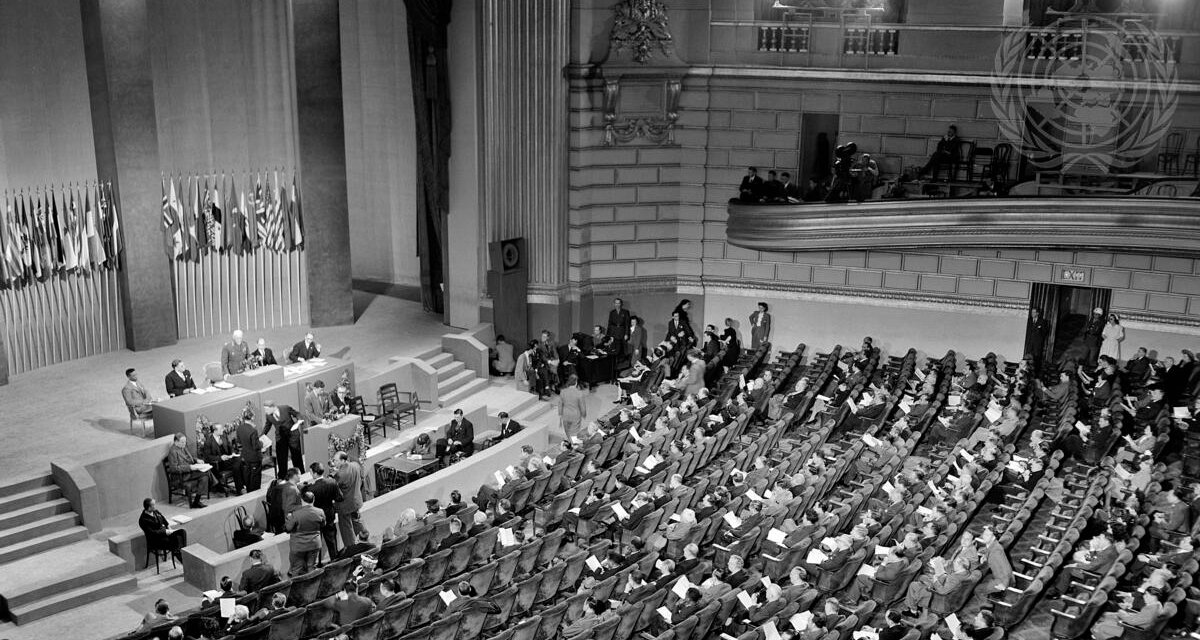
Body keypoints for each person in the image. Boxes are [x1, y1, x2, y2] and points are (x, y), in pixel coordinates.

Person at [332, 451, 369, 552]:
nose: (333, 462)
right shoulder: (355, 465)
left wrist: (334, 474)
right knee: (357, 521)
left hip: (345, 506)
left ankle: (351, 549)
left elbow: (334, 487)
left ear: (343, 460)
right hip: (356, 501)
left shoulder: (340, 475)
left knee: (346, 529)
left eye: (335, 460)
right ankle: (365, 540)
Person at [307, 462, 343, 560]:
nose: (310, 474)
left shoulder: (311, 488)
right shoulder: (332, 482)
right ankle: (335, 559)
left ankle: (318, 562)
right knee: (331, 539)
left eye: (311, 472)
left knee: (317, 541)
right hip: (329, 514)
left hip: (317, 517)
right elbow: (340, 497)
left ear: (315, 473)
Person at [165, 434, 211, 509]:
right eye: (182, 442)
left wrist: (197, 460)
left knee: (205, 475)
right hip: (181, 476)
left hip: (189, 472)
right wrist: (189, 467)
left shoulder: (183, 447)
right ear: (176, 442)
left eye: (185, 442)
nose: (184, 444)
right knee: (206, 474)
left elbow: (189, 457)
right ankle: (216, 485)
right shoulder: (173, 452)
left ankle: (196, 501)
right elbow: (174, 468)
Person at [286, 491, 324, 576]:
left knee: (297, 569)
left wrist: (288, 519)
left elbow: (288, 528)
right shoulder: (320, 511)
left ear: (302, 500)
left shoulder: (295, 514)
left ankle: (299, 589)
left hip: (299, 546)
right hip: (314, 544)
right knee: (311, 567)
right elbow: (323, 524)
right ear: (313, 500)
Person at [198, 423, 244, 495]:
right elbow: (208, 457)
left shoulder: (224, 436)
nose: (223, 430)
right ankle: (240, 487)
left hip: (228, 460)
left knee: (238, 461)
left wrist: (232, 453)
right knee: (238, 464)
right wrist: (220, 458)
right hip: (218, 464)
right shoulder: (208, 442)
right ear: (215, 431)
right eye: (221, 429)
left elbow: (230, 447)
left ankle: (239, 488)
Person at [263, 400, 304, 476]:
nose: (265, 411)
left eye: (267, 409)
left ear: (273, 407)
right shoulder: (268, 415)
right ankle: (282, 476)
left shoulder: (285, 408)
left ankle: (300, 473)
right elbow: (267, 425)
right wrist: (262, 435)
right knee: (281, 458)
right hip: (280, 437)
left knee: (296, 456)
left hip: (292, 435)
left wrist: (299, 420)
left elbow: (297, 414)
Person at [139, 498, 187, 562]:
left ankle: (181, 551)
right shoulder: (143, 520)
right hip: (157, 540)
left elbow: (164, 521)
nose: (155, 506)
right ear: (149, 507)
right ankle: (181, 557)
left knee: (182, 532)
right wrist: (165, 532)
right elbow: (151, 533)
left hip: (166, 534)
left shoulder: (155, 512)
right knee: (176, 541)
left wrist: (170, 529)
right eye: (153, 505)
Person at [234, 410, 264, 491]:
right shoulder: (253, 430)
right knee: (255, 477)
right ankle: (255, 493)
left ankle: (249, 491)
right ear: (252, 417)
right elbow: (256, 446)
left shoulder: (239, 428)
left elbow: (239, 442)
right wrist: (261, 443)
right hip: (254, 457)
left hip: (245, 456)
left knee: (247, 475)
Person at [560, 374, 588, 441]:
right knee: (574, 435)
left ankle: (570, 443)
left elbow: (561, 405)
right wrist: (584, 414)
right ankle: (574, 446)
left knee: (568, 433)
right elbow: (583, 408)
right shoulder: (579, 393)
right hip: (575, 416)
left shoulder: (563, 392)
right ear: (576, 383)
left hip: (565, 415)